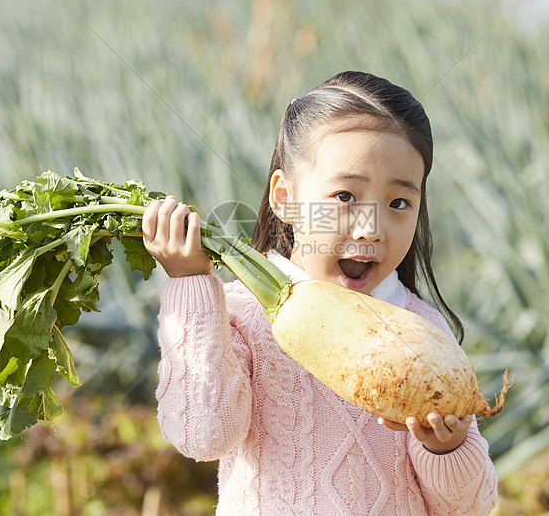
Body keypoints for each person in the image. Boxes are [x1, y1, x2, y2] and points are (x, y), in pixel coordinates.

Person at [142, 71, 499, 514]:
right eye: (345, 195)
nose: (371, 228)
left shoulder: (421, 331)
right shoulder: (238, 313)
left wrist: (449, 449)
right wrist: (189, 284)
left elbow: (472, 507)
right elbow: (201, 433)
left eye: (399, 203)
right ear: (285, 198)